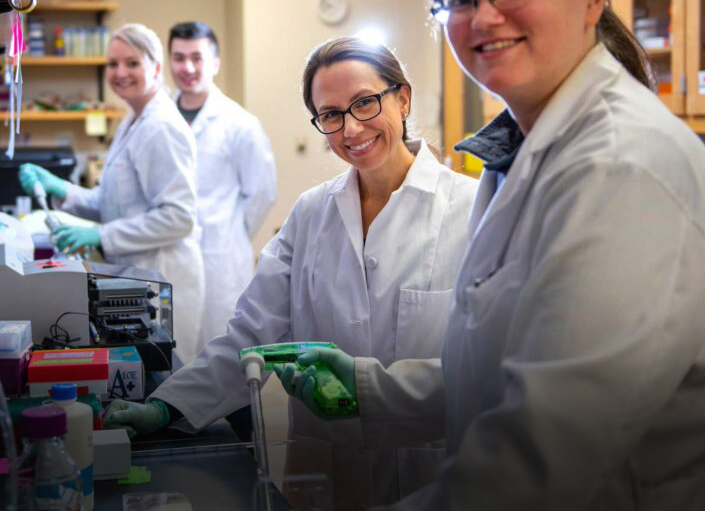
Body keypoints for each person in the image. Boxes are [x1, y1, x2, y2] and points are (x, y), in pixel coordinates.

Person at [286, 0, 705, 510]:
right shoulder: (520, 156)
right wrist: (372, 389)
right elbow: (502, 369)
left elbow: (542, 457)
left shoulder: (624, 169)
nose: (484, 16)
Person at [102, 37, 478, 510]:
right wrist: (166, 406)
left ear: (402, 98)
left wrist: (373, 390)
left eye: (365, 102)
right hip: (329, 475)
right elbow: (250, 335)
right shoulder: (311, 213)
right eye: (332, 114)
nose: (351, 128)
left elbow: (491, 365)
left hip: (438, 475)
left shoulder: (474, 208)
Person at [18, 23, 207, 362]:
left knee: (168, 389)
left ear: (156, 68)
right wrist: (61, 188)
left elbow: (178, 217)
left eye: (132, 63)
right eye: (113, 64)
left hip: (162, 281)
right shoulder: (132, 121)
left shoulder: (160, 126)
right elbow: (112, 202)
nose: (120, 73)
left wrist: (100, 235)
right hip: (137, 279)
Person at [167, 20, 277, 349]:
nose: (187, 67)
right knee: (173, 353)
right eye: (179, 57)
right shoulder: (160, 120)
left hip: (221, 260)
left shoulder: (239, 123)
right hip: (171, 257)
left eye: (197, 57)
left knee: (220, 356)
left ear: (214, 62)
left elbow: (262, 192)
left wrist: (228, 233)